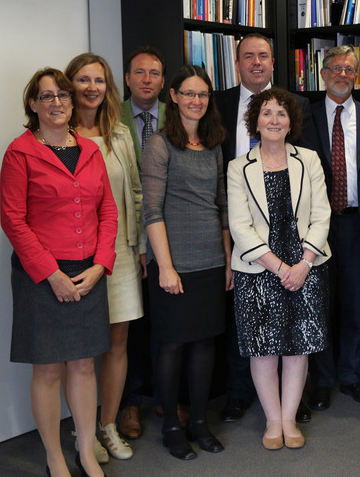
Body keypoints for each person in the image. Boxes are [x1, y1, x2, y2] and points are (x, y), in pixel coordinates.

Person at [0, 68, 117, 477]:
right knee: (48, 368)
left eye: (63, 96)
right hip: (42, 278)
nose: (57, 103)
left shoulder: (89, 150)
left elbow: (108, 210)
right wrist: (52, 274)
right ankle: (54, 456)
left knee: (84, 366)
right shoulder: (20, 152)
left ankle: (86, 451)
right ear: (33, 104)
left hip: (89, 274)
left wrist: (102, 264)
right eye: (46, 96)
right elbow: (13, 221)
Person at [215, 32, 313, 424]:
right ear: (237, 63)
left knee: (294, 332)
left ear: (274, 63)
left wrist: (305, 257)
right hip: (236, 232)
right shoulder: (217, 104)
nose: (256, 62)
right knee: (247, 325)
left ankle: (290, 406)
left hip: (294, 241)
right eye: (248, 56)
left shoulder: (295, 105)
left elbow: (311, 189)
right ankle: (240, 394)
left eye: (264, 56)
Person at [227, 87, 331, 450]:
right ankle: (272, 421)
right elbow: (240, 226)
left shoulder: (310, 160)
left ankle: (289, 419)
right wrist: (279, 268)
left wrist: (302, 264)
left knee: (298, 347)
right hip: (259, 269)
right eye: (267, 113)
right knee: (263, 348)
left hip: (306, 264)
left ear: (291, 123)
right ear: (255, 121)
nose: (274, 120)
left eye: (281, 114)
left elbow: (322, 215)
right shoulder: (238, 167)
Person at [141, 65, 232, 460]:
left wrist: (228, 261)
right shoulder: (160, 144)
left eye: (203, 94)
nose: (197, 101)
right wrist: (164, 266)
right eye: (189, 93)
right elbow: (151, 210)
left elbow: (223, 207)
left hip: (211, 260)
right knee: (172, 345)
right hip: (173, 263)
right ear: (173, 96)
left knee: (205, 344)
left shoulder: (214, 144)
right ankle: (171, 427)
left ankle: (198, 421)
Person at [65, 52, 145, 462]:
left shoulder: (119, 134)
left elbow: (134, 192)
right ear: (69, 86)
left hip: (122, 255)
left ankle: (108, 425)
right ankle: (84, 435)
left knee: (117, 343)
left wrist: (142, 247)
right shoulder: (59, 137)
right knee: (81, 350)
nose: (92, 87)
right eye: (83, 80)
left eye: (99, 80)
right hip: (78, 257)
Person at [301, 45, 360, 411]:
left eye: (350, 69)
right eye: (336, 68)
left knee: (354, 305)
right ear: (323, 73)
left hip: (357, 225)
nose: (343, 75)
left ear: (357, 75)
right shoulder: (304, 116)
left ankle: (351, 375)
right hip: (315, 227)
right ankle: (322, 380)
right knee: (319, 307)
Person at [118, 45, 184, 440]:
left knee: (165, 322)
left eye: (155, 73)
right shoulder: (112, 119)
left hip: (166, 236)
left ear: (164, 82)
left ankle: (166, 394)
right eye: (139, 73)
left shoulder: (177, 119)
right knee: (128, 327)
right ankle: (130, 402)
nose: (147, 80)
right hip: (125, 239)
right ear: (127, 79)